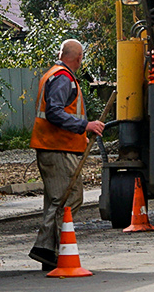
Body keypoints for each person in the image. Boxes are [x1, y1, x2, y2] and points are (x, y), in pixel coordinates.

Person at [30, 39, 104, 271]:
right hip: (57, 148)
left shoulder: (54, 74)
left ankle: (50, 251)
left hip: (55, 147)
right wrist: (85, 125)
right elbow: (54, 112)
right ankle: (47, 249)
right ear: (79, 58)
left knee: (59, 198)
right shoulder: (63, 78)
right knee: (67, 199)